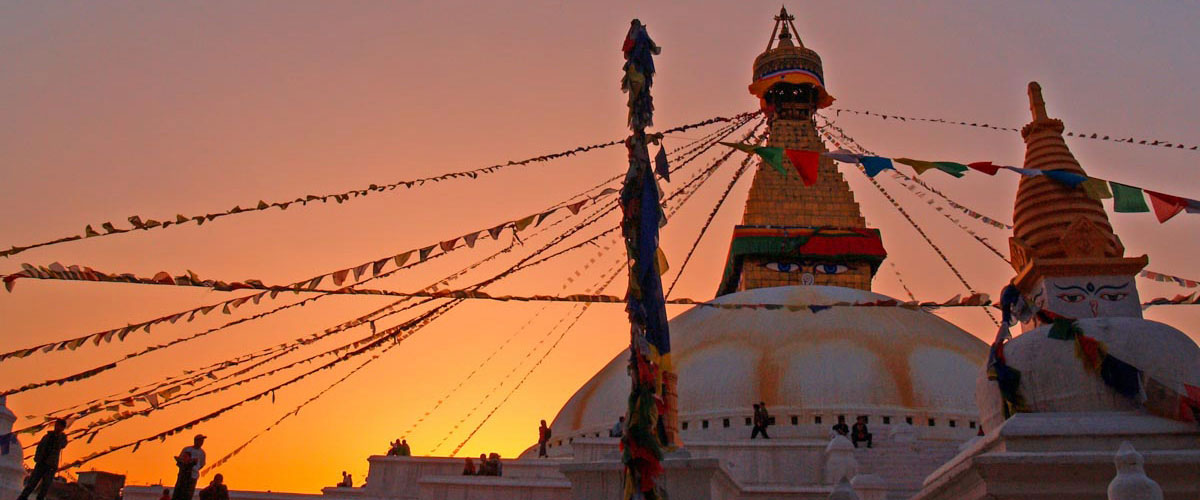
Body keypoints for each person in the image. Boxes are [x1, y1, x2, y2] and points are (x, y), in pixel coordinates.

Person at [17, 419, 68, 500]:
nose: (56, 427)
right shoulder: (47, 436)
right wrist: (37, 457)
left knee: (45, 487)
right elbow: (39, 447)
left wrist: (59, 435)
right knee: (32, 483)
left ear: (62, 428)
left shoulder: (62, 438)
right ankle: (22, 498)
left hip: (51, 466)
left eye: (59, 426)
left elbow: (62, 445)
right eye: (56, 425)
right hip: (41, 463)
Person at [171, 435, 206, 500]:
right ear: (195, 441)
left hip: (193, 476)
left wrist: (195, 469)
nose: (201, 442)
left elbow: (202, 464)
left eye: (202, 441)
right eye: (200, 440)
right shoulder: (187, 449)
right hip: (183, 475)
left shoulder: (202, 453)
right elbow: (180, 460)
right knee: (178, 493)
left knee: (188, 494)